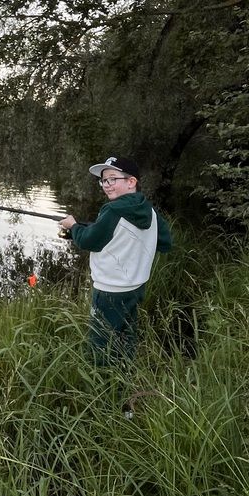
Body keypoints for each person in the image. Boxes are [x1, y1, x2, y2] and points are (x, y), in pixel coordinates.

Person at [59, 156, 172, 367]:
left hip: (109, 291)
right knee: (125, 338)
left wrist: (73, 226)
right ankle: (124, 377)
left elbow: (88, 240)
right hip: (135, 288)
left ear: (131, 182)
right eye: (103, 180)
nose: (107, 185)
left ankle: (101, 387)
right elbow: (165, 243)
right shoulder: (150, 211)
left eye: (112, 179)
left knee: (100, 342)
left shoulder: (112, 210)